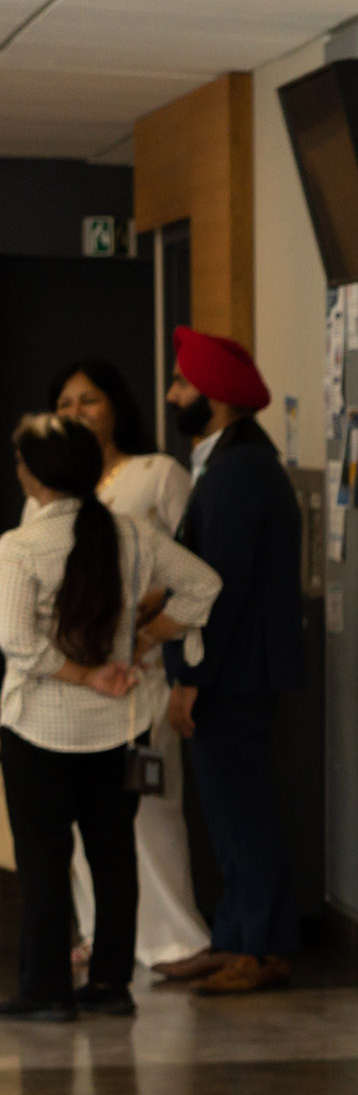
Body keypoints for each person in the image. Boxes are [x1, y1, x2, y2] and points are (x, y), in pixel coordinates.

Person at [1, 415, 221, 1021]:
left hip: (38, 729)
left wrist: (84, 673)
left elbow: (19, 644)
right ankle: (109, 985)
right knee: (113, 854)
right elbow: (202, 586)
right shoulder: (130, 535)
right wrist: (141, 645)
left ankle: (45, 990)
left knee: (44, 859)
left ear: (34, 475)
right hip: (119, 727)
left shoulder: (20, 547)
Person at [51, 358, 216, 972]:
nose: (76, 412)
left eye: (88, 400)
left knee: (148, 806)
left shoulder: (157, 474)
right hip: (71, 682)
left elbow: (197, 566)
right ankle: (102, 935)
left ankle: (175, 940)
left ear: (116, 405)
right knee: (77, 820)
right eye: (65, 404)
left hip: (140, 671)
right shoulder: (52, 491)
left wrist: (148, 622)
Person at [159, 326, 307, 994]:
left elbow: (218, 587)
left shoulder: (238, 472)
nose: (172, 395)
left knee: (243, 812)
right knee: (227, 812)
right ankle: (233, 938)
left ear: (213, 395)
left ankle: (263, 948)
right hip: (236, 671)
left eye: (182, 382)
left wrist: (192, 677)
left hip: (234, 674)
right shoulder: (230, 463)